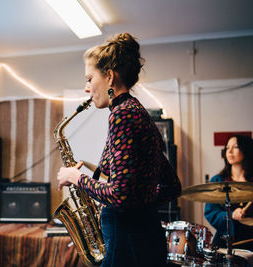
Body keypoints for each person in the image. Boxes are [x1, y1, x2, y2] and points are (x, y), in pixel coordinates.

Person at [56, 33, 181, 267]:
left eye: (89, 78)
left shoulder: (122, 115)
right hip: (144, 239)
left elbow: (120, 197)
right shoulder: (136, 112)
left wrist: (76, 177)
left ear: (109, 77)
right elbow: (172, 187)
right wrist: (140, 203)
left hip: (128, 245)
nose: (86, 88)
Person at [204, 134, 253, 251]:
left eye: (235, 147)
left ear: (246, 149)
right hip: (226, 240)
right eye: (227, 148)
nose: (229, 151)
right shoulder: (218, 180)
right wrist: (231, 215)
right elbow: (211, 212)